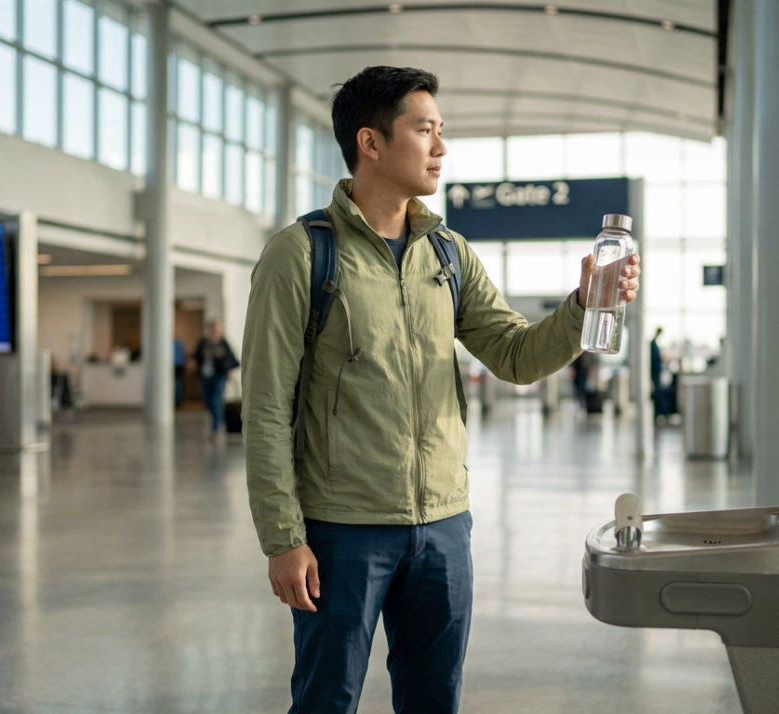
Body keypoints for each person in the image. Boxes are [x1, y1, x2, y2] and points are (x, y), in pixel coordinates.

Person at [241, 66, 640, 713]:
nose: (440, 147)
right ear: (371, 142)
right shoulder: (302, 254)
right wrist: (284, 538)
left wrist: (582, 304)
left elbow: (514, 354)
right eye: (424, 129)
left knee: (434, 699)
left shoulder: (448, 254)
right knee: (326, 699)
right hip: (343, 529)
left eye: (441, 131)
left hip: (444, 528)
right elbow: (264, 407)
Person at [195, 319, 238, 436]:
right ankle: (217, 420)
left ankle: (216, 426)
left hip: (219, 375)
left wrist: (227, 369)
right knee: (208, 400)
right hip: (206, 375)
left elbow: (231, 359)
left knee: (216, 399)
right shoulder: (204, 342)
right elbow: (197, 356)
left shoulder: (223, 342)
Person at [173, 336, 186, 408]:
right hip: (180, 365)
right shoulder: (180, 343)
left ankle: (176, 400)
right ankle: (178, 400)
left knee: (176, 383)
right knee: (178, 382)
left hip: (175, 366)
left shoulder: (170, 344)